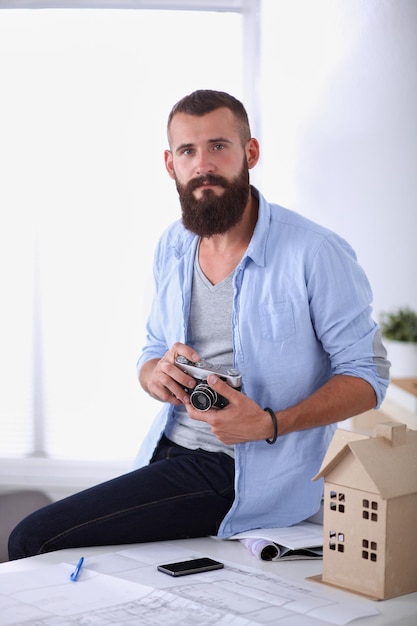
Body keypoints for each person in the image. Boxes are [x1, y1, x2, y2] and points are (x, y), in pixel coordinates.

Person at [8, 89, 390, 560]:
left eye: (218, 146)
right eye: (188, 151)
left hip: (239, 471)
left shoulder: (315, 252)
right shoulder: (173, 244)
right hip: (166, 449)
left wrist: (269, 423)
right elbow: (151, 350)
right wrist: (155, 374)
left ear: (250, 152)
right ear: (170, 164)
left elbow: (368, 377)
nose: (203, 164)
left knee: (31, 538)